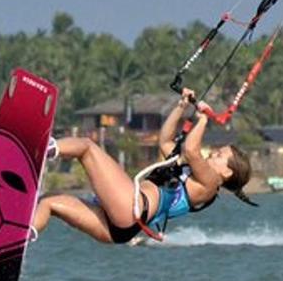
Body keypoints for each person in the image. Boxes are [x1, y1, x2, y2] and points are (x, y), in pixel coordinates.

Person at [31, 89, 252, 244]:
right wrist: (181, 107)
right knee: (49, 202)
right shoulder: (187, 171)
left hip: (131, 208)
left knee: (87, 148)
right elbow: (165, 141)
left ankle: (36, 150)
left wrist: (203, 119)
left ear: (227, 172)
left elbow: (192, 150)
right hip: (119, 229)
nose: (213, 153)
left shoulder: (210, 183)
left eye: (219, 155)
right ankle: (19, 239)